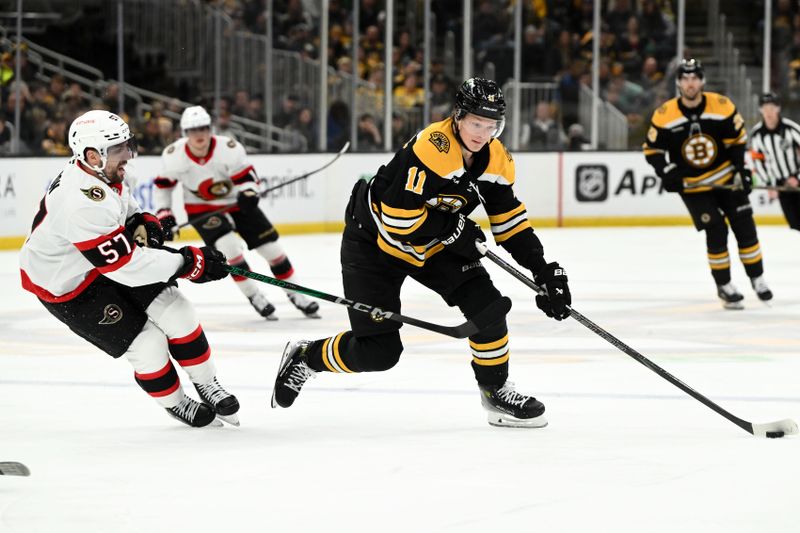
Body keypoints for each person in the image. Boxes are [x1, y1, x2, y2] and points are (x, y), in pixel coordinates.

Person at [271, 78, 572, 428]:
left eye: (492, 125)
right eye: (476, 123)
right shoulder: (434, 146)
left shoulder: (496, 160)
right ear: (458, 117)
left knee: (488, 308)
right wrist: (455, 232)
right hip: (375, 241)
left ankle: (495, 391)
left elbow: (509, 222)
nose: (483, 133)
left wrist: (544, 271)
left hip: (432, 243)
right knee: (379, 353)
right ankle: (307, 358)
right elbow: (400, 221)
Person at [18, 110, 239, 428]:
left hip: (99, 263)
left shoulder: (107, 173)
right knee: (147, 345)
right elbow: (125, 266)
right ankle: (175, 402)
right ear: (92, 155)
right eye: (119, 149)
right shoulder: (79, 201)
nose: (128, 155)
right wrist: (187, 263)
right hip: (65, 286)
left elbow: (122, 207)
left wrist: (139, 218)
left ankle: (207, 382)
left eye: (126, 145)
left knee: (178, 311)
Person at [154, 106, 319, 320]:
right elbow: (163, 186)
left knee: (272, 250)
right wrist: (164, 213)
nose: (199, 134)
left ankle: (296, 294)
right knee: (229, 249)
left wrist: (249, 192)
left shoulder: (228, 148)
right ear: (185, 133)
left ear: (210, 128)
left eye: (203, 128)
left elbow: (247, 177)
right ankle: (254, 295)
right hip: (201, 209)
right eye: (193, 130)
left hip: (236, 203)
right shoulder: (174, 155)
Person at [643, 59, 772, 310]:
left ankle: (757, 278)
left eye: (694, 78)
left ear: (702, 81)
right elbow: (652, 150)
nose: (690, 83)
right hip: (694, 187)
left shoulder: (722, 106)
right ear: (679, 82)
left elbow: (737, 142)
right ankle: (724, 285)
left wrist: (742, 171)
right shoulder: (664, 114)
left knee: (745, 227)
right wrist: (667, 171)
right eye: (685, 78)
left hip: (726, 179)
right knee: (716, 231)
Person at [749, 91, 800, 232]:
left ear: (778, 108)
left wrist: (797, 177)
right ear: (760, 110)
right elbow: (757, 162)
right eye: (765, 108)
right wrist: (769, 184)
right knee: (795, 223)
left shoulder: (791, 129)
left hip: (797, 180)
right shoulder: (757, 134)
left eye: (772, 108)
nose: (768, 112)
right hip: (780, 185)